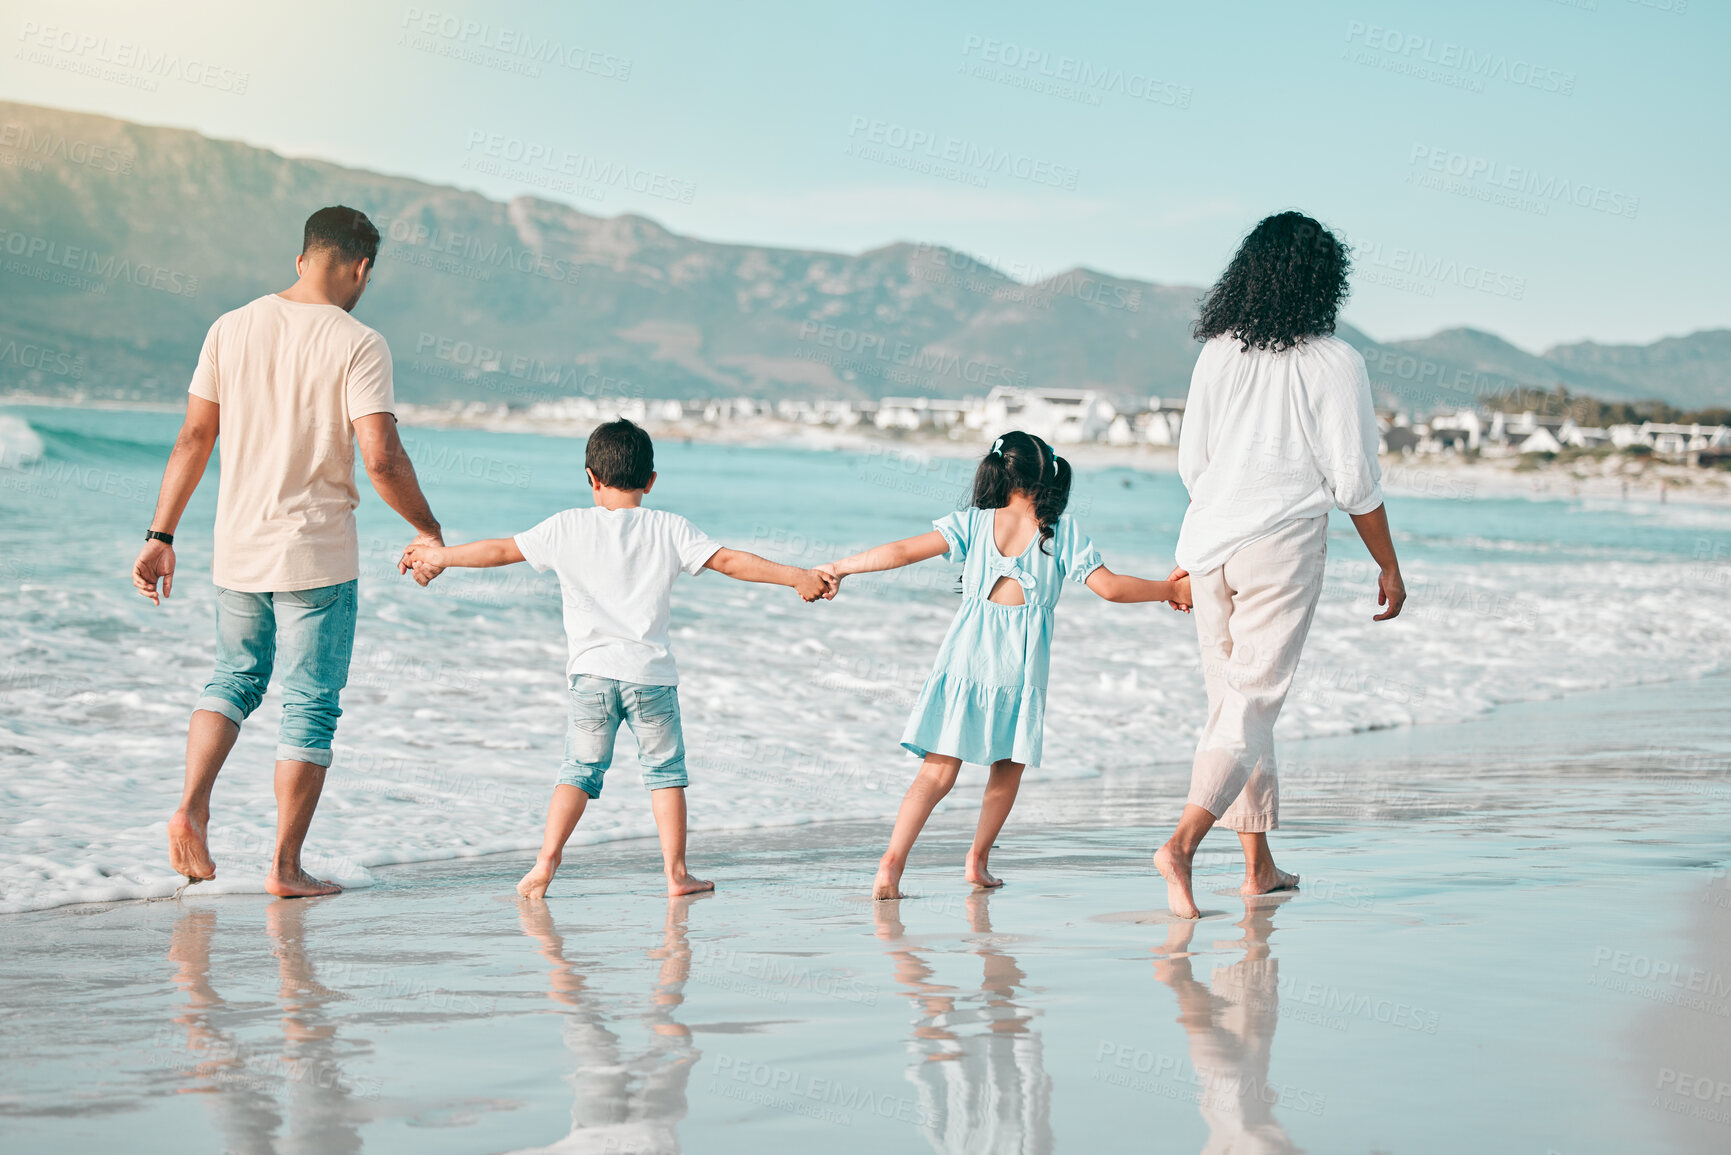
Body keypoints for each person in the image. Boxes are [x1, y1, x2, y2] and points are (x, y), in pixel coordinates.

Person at [133, 206, 445, 898]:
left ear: (302, 258)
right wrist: (429, 529)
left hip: (235, 549)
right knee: (308, 704)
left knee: (232, 679)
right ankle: (284, 866)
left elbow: (193, 436)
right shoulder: (360, 342)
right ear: (360, 268)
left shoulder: (230, 326)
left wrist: (160, 536)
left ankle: (190, 803)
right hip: (316, 556)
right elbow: (382, 457)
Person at [399, 419, 834, 900]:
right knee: (665, 775)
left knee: (578, 772)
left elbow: (500, 550)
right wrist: (796, 576)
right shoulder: (669, 527)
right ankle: (676, 874)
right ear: (651, 481)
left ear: (591, 478)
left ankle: (545, 863)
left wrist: (440, 558)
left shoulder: (565, 526)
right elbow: (730, 561)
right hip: (650, 677)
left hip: (590, 677)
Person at [1153, 210, 1407, 920]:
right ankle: (1180, 843)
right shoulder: (1335, 361)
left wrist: (1203, 536)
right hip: (1282, 542)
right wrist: (1387, 564)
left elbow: (1192, 463)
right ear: (1324, 279)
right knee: (1251, 703)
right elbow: (1354, 478)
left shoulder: (1216, 352)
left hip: (1207, 543)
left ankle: (1257, 867)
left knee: (1233, 706)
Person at [817, 431, 1192, 899]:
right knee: (1005, 769)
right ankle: (977, 861)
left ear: (1001, 472)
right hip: (1018, 670)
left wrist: (841, 566)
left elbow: (900, 552)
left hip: (962, 661)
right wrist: (1171, 590)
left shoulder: (974, 523)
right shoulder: (1061, 532)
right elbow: (1112, 589)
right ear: (1048, 476)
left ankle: (891, 866)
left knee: (936, 773)